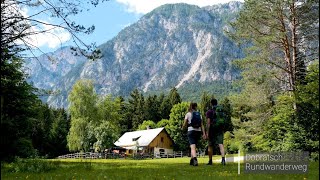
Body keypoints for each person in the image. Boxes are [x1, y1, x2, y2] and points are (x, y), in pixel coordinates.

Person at [206, 98, 226, 165]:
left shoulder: (209, 111)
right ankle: (223, 160)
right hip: (220, 128)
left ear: (211, 103)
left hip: (212, 129)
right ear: (217, 103)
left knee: (210, 145)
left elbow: (208, 123)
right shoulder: (220, 111)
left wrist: (207, 132)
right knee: (221, 144)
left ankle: (210, 161)